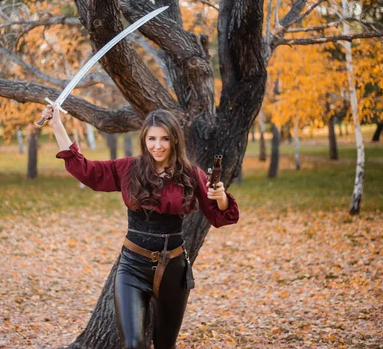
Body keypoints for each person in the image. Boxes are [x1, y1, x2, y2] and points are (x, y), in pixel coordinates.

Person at [41, 106, 239, 349]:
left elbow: (220, 215)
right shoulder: (128, 169)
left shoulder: (189, 174)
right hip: (132, 268)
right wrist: (57, 125)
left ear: (175, 140)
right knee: (134, 344)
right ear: (144, 140)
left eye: (165, 138)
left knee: (165, 344)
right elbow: (86, 170)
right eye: (152, 138)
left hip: (173, 270)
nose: (158, 146)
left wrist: (221, 197)